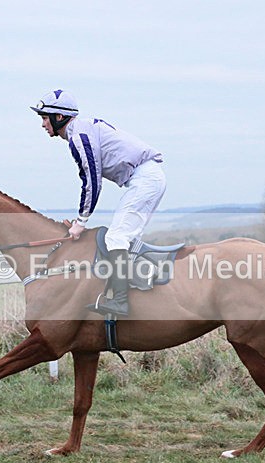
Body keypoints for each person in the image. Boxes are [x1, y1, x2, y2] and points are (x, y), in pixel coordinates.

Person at [31, 89, 166, 317]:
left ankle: (121, 302)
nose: (43, 124)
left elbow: (91, 181)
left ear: (59, 117)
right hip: (147, 177)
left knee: (116, 237)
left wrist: (81, 222)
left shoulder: (78, 137)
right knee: (125, 237)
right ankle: (144, 275)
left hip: (144, 179)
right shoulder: (81, 132)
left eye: (45, 118)